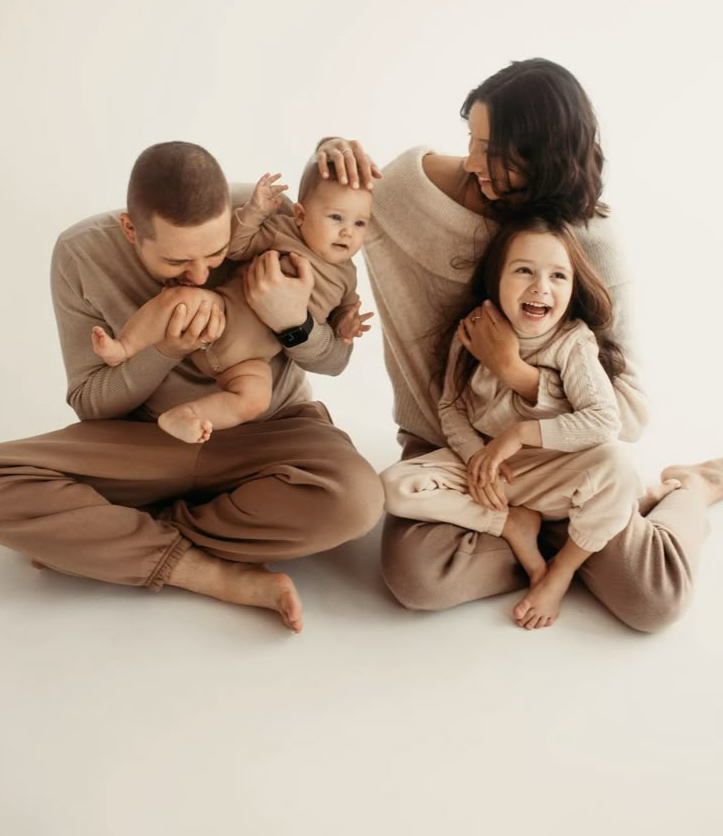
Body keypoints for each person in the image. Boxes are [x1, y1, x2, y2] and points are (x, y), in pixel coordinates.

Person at [317, 57, 723, 633]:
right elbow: (313, 216)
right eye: (471, 139)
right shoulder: (409, 192)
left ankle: (692, 488)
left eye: (493, 151)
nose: (472, 162)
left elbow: (627, 416)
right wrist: (329, 156)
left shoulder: (591, 243)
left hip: (567, 461)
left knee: (653, 600)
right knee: (417, 577)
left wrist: (515, 372)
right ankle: (539, 533)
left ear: (545, 156)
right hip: (457, 454)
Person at [0, 142, 384, 633]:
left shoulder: (264, 211)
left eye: (216, 253)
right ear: (130, 229)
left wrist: (294, 323)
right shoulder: (81, 253)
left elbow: (336, 359)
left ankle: (105, 538)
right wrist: (164, 351)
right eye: (176, 261)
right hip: (146, 441)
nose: (200, 275)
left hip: (268, 432)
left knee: (357, 501)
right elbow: (90, 403)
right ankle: (211, 575)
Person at [382, 216, 661, 629]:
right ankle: (511, 524)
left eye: (557, 275)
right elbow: (451, 408)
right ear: (496, 279)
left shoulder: (573, 343)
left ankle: (562, 569)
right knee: (394, 486)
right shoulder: (474, 331)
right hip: (501, 475)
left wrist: (520, 433)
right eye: (524, 270)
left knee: (619, 468)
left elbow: (604, 422)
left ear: (573, 287)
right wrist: (478, 460)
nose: (540, 287)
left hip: (556, 471)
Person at [92, 162, 373, 444]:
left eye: (359, 223)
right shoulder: (283, 231)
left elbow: (343, 314)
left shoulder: (348, 276)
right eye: (336, 218)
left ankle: (185, 416)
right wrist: (256, 211)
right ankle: (124, 346)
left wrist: (346, 325)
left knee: (255, 399)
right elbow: (237, 247)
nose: (348, 232)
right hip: (219, 312)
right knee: (179, 298)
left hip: (251, 361)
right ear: (300, 215)